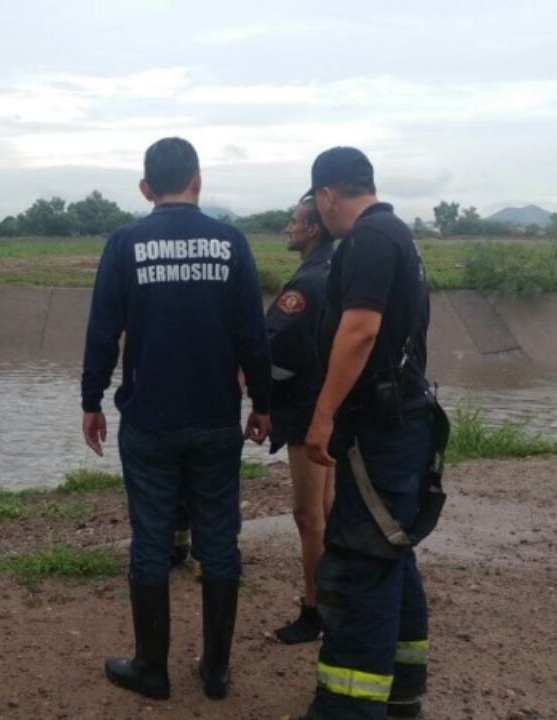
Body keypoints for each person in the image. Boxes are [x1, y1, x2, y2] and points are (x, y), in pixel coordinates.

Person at [81, 137, 271, 701]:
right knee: (220, 543)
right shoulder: (231, 242)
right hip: (216, 421)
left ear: (146, 188)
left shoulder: (124, 244)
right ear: (198, 180)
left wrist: (91, 401)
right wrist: (262, 403)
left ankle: (152, 671)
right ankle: (215, 672)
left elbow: (102, 333)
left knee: (150, 540)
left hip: (148, 424)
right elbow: (251, 336)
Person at [296, 147, 435, 719]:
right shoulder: (397, 234)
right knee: (392, 552)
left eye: (316, 202)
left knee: (360, 560)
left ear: (328, 194)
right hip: (402, 422)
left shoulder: (370, 240)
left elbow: (359, 330)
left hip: (380, 428)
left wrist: (323, 414)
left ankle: (346, 709)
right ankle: (402, 689)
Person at [267, 195, 336, 645]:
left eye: (294, 222)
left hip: (306, 407)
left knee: (308, 515)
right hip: (330, 402)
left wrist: (257, 392)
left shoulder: (306, 283)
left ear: (313, 229)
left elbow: (274, 347)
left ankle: (314, 612)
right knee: (328, 510)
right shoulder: (337, 267)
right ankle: (334, 599)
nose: (288, 229)